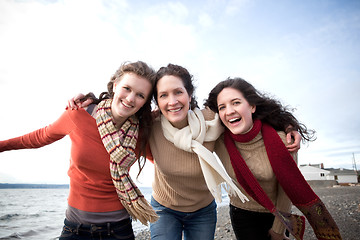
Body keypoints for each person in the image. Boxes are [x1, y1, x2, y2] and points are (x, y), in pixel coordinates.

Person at [67, 64, 302, 240]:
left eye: (178, 92)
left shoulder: (212, 120)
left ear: (190, 95)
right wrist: (91, 101)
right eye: (163, 95)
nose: (172, 101)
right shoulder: (150, 125)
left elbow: (245, 111)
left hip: (203, 211)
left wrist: (289, 126)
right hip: (164, 208)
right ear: (156, 102)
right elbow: (122, 108)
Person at [0, 61, 159, 240]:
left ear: (145, 101)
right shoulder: (78, 114)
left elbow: (165, 162)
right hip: (75, 229)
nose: (130, 98)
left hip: (119, 230)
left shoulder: (141, 132)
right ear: (115, 85)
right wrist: (2, 146)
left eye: (140, 95)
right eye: (127, 88)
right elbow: (40, 136)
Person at [204, 77, 342, 240]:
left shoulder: (283, 140)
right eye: (222, 107)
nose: (229, 111)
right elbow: (196, 116)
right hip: (240, 214)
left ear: (252, 106)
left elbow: (286, 190)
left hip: (276, 214)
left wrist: (278, 229)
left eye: (236, 103)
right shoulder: (219, 139)